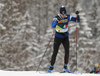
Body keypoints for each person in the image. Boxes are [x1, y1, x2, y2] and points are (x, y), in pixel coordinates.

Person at [47, 6, 80, 73]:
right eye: (62, 14)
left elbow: (77, 20)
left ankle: (65, 66)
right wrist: (57, 21)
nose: (63, 15)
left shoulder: (68, 17)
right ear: (60, 13)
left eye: (64, 14)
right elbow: (52, 25)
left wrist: (77, 15)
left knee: (67, 51)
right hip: (58, 37)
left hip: (65, 37)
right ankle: (51, 67)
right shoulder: (56, 18)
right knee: (55, 52)